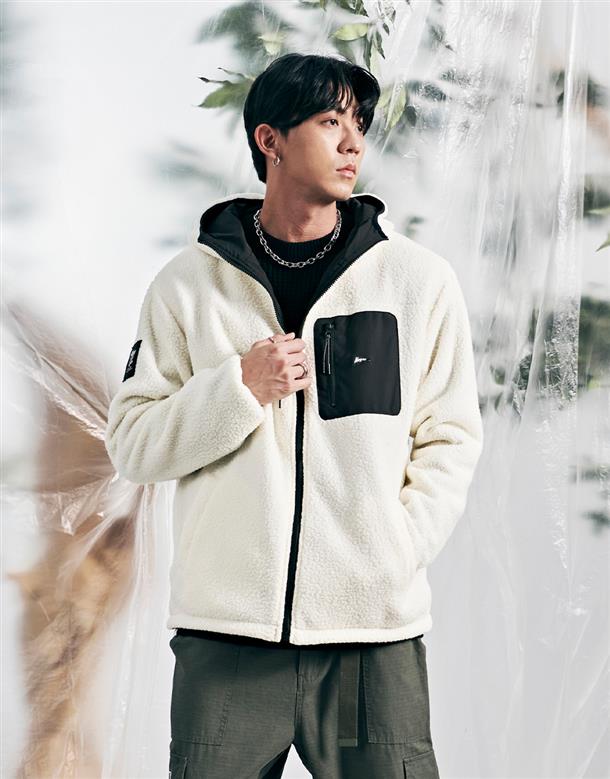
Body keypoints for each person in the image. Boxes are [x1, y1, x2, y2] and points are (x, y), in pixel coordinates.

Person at [105, 52, 484, 779]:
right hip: (229, 639)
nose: (354, 143)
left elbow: (450, 436)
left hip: (371, 638)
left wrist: (394, 549)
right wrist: (239, 388)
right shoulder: (187, 287)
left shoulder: (418, 282)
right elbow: (133, 444)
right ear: (270, 139)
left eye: (359, 124)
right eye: (331, 121)